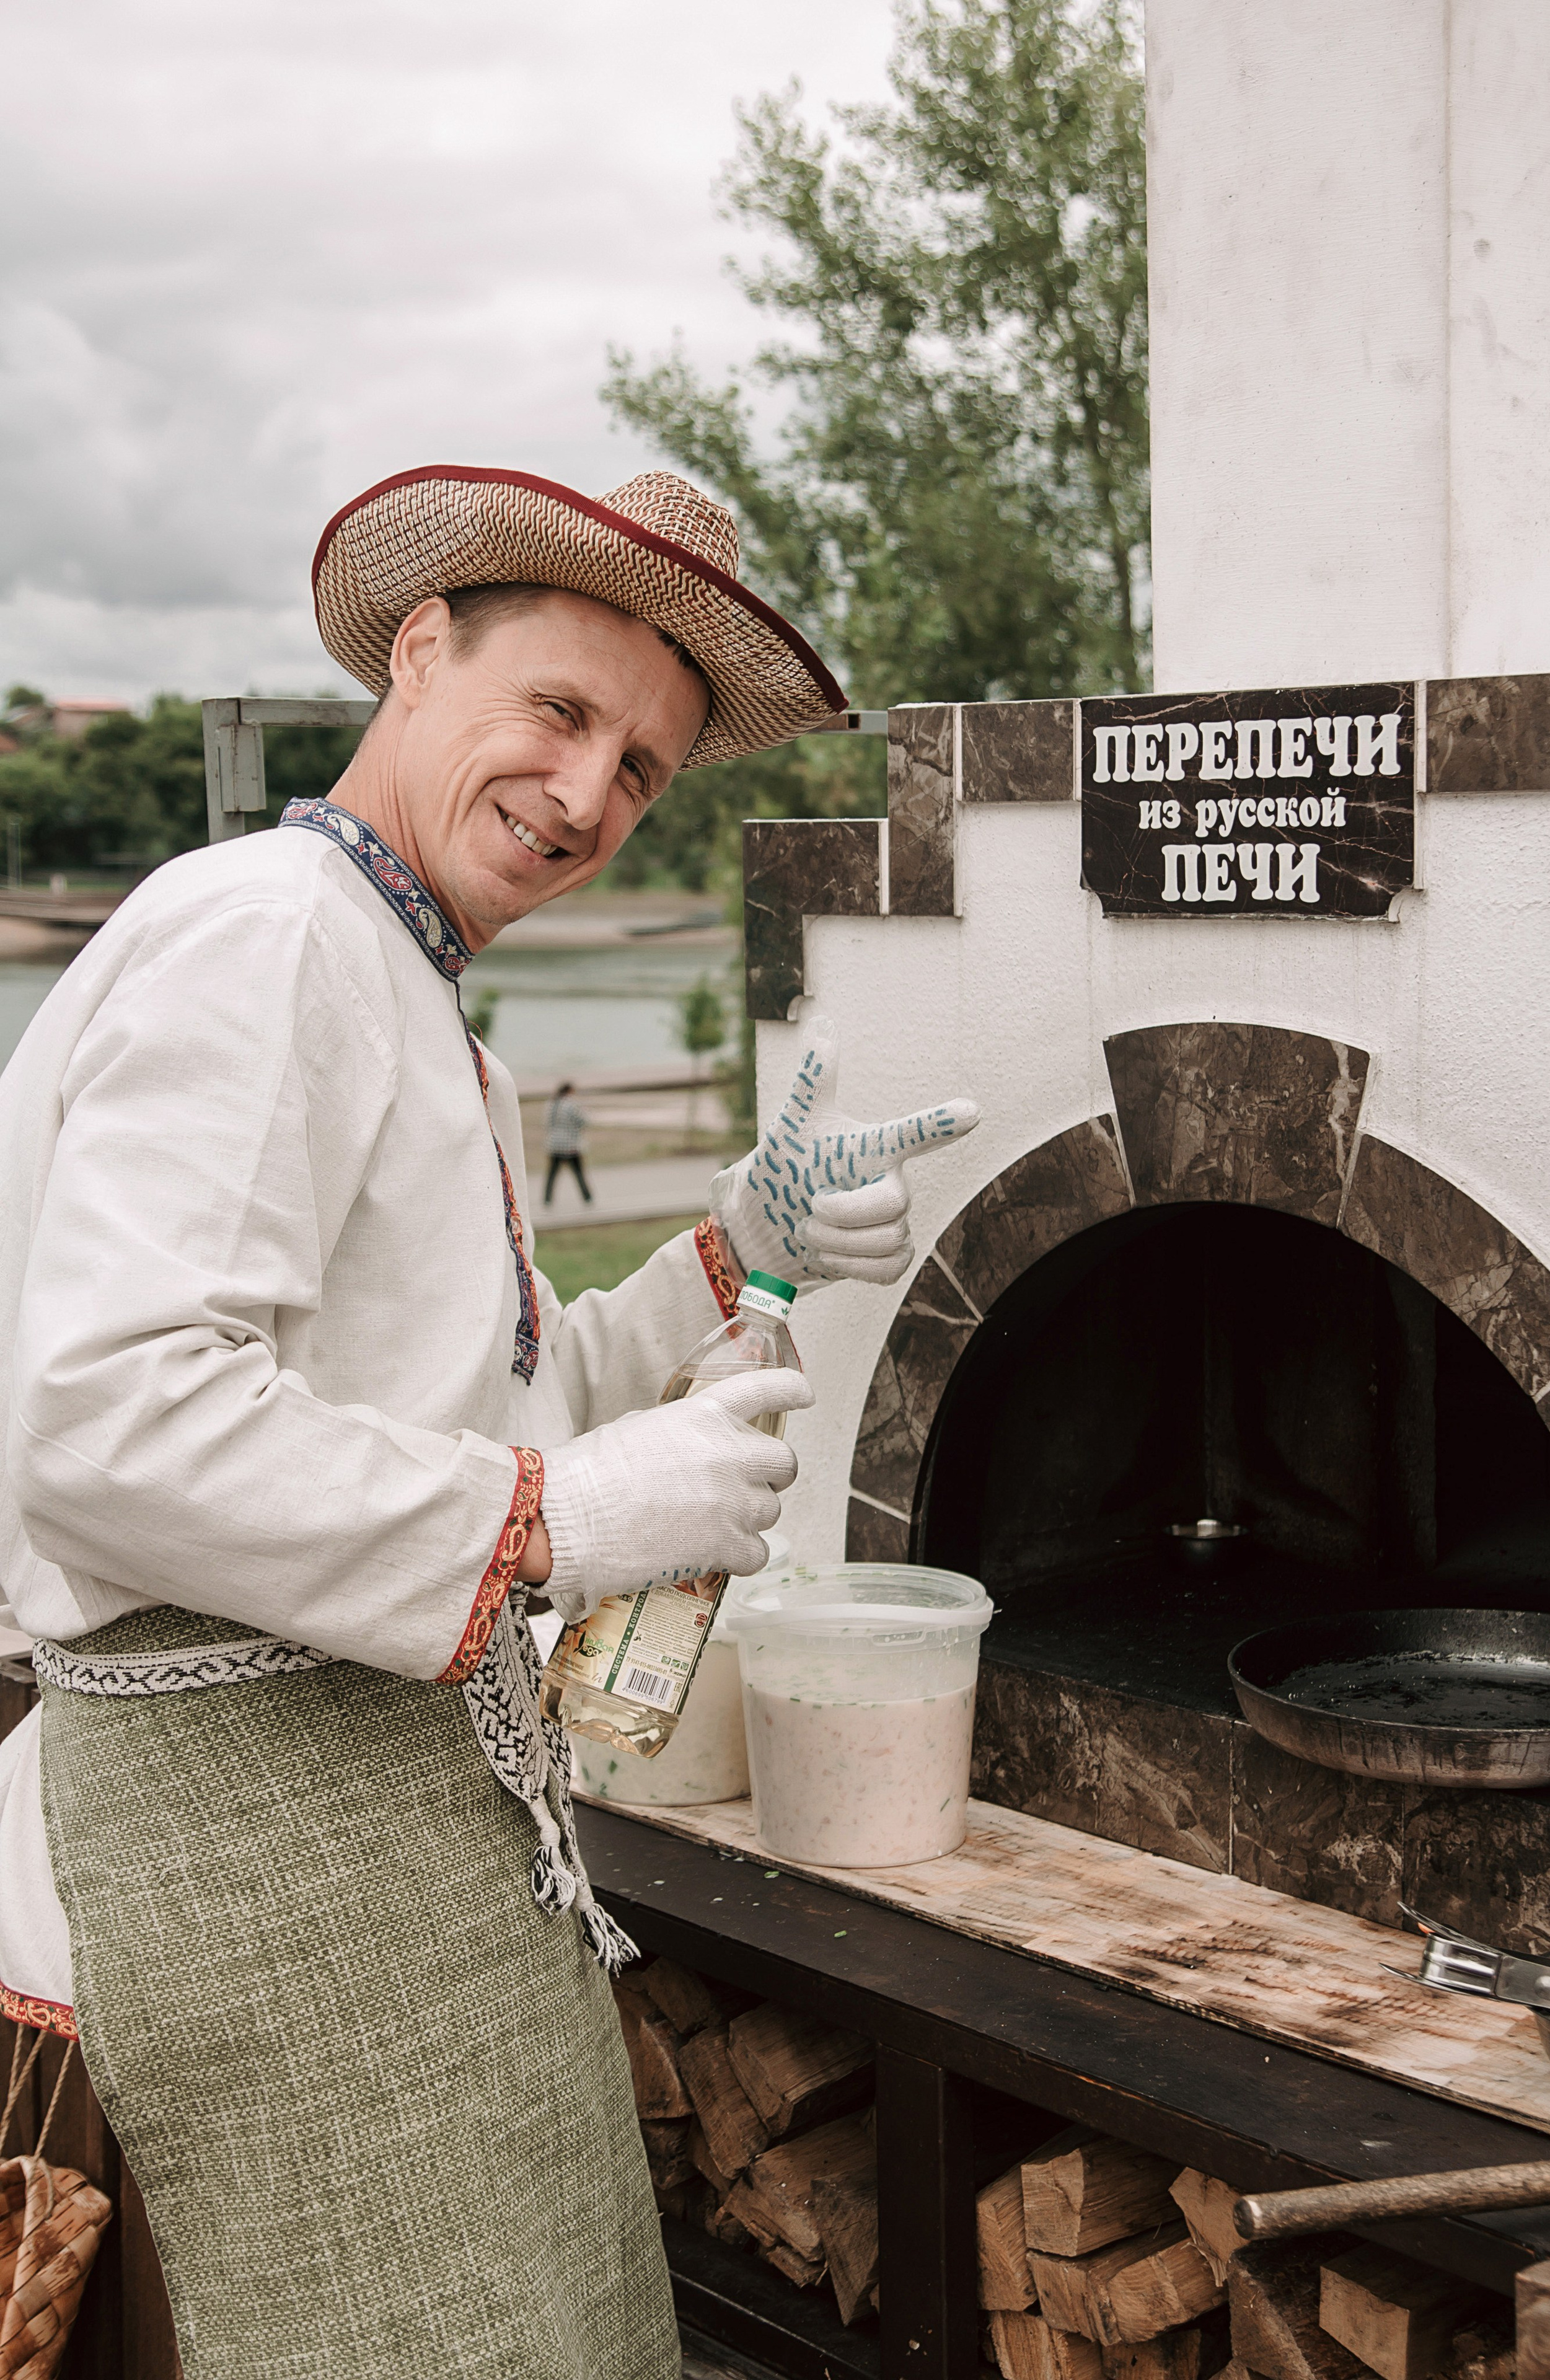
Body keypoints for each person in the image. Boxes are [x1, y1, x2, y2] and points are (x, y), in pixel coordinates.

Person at [0, 464, 978, 2379]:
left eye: (644, 767)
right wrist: (560, 1515)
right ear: (422, 649)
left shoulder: (405, 991)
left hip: (395, 1802)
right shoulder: (269, 934)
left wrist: (724, 1251)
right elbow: (111, 1416)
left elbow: (458, 1402)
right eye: (562, 709)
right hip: (273, 1827)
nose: (591, 794)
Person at [544, 1077, 593, 1204]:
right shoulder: (571, 1104)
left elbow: (546, 1123)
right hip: (570, 1144)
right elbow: (583, 1121)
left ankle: (547, 1199)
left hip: (554, 1144)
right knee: (578, 1173)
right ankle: (587, 1197)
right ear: (570, 1091)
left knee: (552, 1174)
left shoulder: (552, 1104)